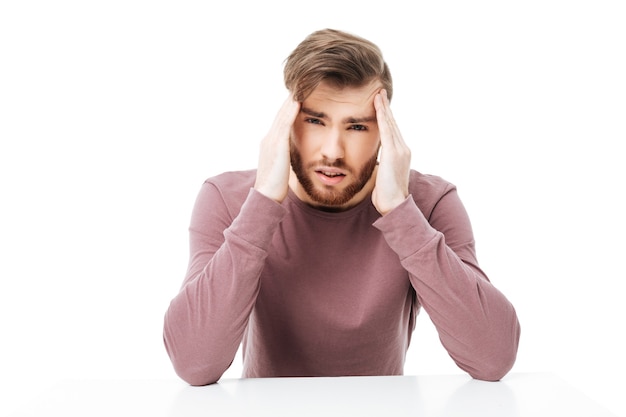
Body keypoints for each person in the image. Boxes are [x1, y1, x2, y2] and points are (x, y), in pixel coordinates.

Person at [163, 28, 521, 386]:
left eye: (357, 127)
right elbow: (194, 363)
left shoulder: (427, 203)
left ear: (385, 133)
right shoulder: (228, 198)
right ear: (286, 121)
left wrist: (400, 212)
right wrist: (262, 204)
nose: (332, 150)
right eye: (315, 121)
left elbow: (493, 357)